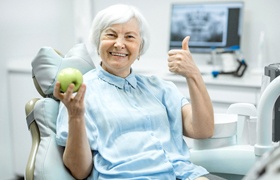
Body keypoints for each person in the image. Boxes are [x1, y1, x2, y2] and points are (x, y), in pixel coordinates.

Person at [54, 4, 222, 180]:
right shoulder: (79, 95)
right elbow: (79, 172)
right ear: (98, 42)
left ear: (140, 48)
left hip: (184, 174)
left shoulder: (160, 88)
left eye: (129, 37)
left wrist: (193, 74)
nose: (119, 44)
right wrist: (76, 116)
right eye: (111, 34)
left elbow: (203, 130)